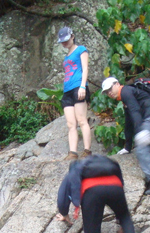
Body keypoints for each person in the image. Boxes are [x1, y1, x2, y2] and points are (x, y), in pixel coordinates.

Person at [56, 155, 142, 233]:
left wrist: (64, 213)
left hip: (92, 192)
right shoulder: (109, 165)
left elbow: (63, 196)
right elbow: (120, 181)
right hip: (115, 187)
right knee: (124, 215)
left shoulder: (76, 168)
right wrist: (120, 220)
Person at [101, 76, 150, 195]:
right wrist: (127, 147)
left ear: (117, 84)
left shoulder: (126, 91)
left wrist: (140, 131)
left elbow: (135, 111)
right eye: (106, 92)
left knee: (141, 150)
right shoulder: (126, 97)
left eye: (110, 89)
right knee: (145, 151)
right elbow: (128, 123)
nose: (109, 93)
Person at [58, 27, 92, 161]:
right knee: (71, 123)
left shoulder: (81, 50)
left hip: (79, 86)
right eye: (62, 41)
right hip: (67, 90)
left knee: (82, 119)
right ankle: (73, 152)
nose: (64, 43)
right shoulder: (66, 57)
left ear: (72, 36)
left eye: (66, 40)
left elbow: (85, 68)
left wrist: (83, 86)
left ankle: (87, 150)